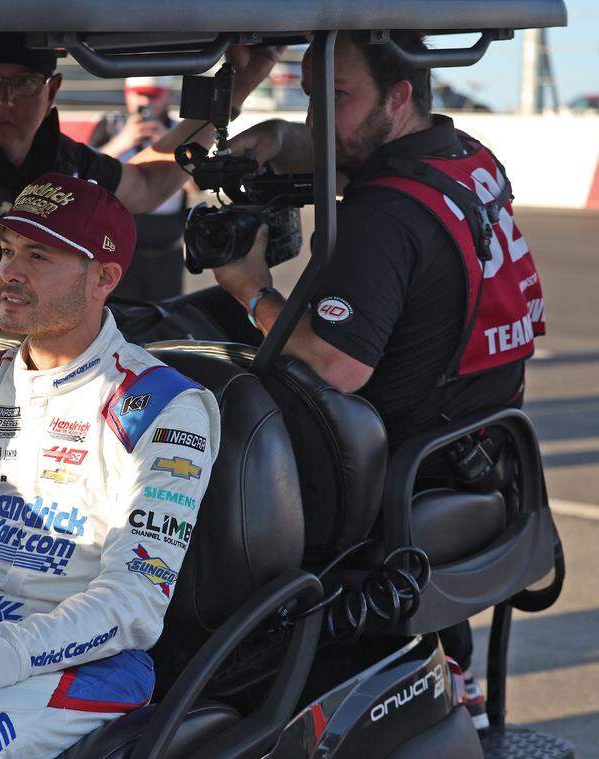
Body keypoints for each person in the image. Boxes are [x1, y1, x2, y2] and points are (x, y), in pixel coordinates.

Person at [212, 32, 544, 730]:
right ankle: (453, 675)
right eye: (307, 98)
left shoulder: (384, 213)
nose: (313, 122)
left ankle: (220, 701)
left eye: (333, 98)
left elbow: (337, 364)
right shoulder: (462, 158)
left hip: (391, 479)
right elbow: (345, 148)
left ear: (398, 98)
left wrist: (250, 290)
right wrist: (274, 137)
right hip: (476, 448)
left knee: (211, 454)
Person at [0, 172, 221, 757]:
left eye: (38, 255)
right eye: (6, 250)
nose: (8, 273)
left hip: (96, 670)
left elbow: (135, 603)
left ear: (105, 278)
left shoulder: (165, 406)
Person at [0, 33, 281, 337]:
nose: (3, 99)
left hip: (65, 346)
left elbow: (147, 183)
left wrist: (236, 88)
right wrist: (29, 295)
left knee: (222, 321)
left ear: (51, 91)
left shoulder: (52, 152)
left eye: (22, 84)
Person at [89, 76, 188, 301]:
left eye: (153, 96)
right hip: (115, 244)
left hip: (165, 247)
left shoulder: (179, 131)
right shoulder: (111, 125)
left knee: (167, 316)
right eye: (139, 94)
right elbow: (85, 175)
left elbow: (197, 186)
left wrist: (168, 144)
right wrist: (124, 140)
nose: (145, 102)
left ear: (168, 96)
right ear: (127, 94)